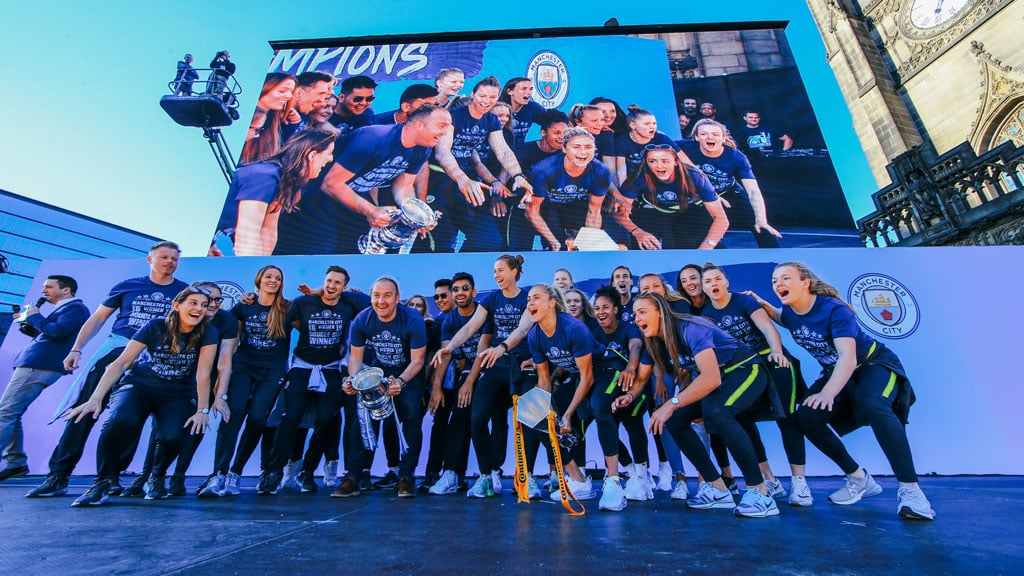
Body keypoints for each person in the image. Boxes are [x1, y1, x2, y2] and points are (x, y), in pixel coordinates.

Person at [751, 262, 934, 520]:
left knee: (875, 405)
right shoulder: (791, 312)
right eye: (774, 281)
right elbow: (783, 318)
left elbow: (847, 356)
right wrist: (763, 305)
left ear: (806, 282)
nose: (778, 284)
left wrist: (828, 393)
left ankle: (911, 490)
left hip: (871, 365)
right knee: (806, 417)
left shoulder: (834, 309)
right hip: (835, 371)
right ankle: (858, 477)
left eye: (785, 278)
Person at [25, 242, 188, 499]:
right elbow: (98, 318)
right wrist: (77, 348)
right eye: (164, 257)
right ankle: (59, 474)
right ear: (150, 259)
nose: (169, 262)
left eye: (174, 259)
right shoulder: (127, 285)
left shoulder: (183, 292)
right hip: (117, 349)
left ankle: (111, 476)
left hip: (151, 358)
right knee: (85, 408)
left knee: (129, 417)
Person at [66, 285, 219, 507]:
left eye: (204, 306)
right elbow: (122, 362)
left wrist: (202, 410)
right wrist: (96, 398)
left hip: (177, 392)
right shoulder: (155, 326)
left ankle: (156, 476)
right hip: (140, 385)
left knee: (173, 436)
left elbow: (203, 373)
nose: (200, 309)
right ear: (177, 306)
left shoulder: (208, 332)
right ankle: (102, 482)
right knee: (120, 421)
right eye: (193, 303)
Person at [633, 292, 781, 518]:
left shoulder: (690, 328)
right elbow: (685, 371)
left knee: (719, 413)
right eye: (634, 314)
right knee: (675, 421)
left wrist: (672, 402)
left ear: (660, 312)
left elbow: (711, 378)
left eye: (642, 312)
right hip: (721, 377)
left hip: (744, 368)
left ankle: (760, 492)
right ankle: (718, 488)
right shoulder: (657, 340)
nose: (636, 318)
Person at [273, 104, 452, 255]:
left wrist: (415, 217)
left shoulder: (423, 148)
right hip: (313, 199)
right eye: (442, 125)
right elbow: (330, 184)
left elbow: (403, 186)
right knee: (320, 251)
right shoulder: (373, 138)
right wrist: (370, 210)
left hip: (350, 201)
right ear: (420, 125)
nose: (445, 133)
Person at [701, 263, 808, 505]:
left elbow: (768, 328)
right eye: (708, 282)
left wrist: (777, 351)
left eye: (717, 279)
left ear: (726, 281)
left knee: (787, 419)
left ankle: (800, 483)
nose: (713, 284)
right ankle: (768, 478)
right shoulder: (707, 315)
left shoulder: (743, 302)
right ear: (704, 288)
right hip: (744, 368)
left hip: (770, 359)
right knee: (742, 420)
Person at [257, 266, 369, 496]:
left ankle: (307, 471)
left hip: (330, 370)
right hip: (302, 368)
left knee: (326, 421)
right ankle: (273, 471)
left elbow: (368, 301)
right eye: (328, 281)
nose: (331, 286)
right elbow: (279, 313)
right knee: (290, 418)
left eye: (338, 283)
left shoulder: (348, 305)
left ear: (344, 287)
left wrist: (343, 294)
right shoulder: (303, 303)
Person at [431, 254, 534, 499]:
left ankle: (527, 477)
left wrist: (503, 347)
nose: (496, 275)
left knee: (528, 421)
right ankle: (487, 475)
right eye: (494, 271)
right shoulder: (491, 299)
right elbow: (469, 328)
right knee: (477, 418)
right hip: (494, 365)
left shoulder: (527, 297)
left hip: (521, 364)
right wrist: (449, 347)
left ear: (514, 271)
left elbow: (522, 329)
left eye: (500, 270)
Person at [134, 282, 239, 499]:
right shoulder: (175, 317)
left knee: (195, 428)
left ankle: (178, 477)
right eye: (208, 299)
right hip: (174, 379)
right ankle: (148, 476)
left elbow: (225, 360)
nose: (212, 304)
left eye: (218, 300)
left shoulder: (225, 320)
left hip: (204, 380)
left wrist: (220, 394)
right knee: (161, 431)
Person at [201, 266, 292, 497]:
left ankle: (236, 472)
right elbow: (233, 340)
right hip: (243, 366)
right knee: (234, 414)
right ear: (259, 280)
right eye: (269, 277)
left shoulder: (288, 308)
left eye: (278, 278)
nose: (273, 281)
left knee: (258, 419)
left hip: (273, 370)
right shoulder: (244, 306)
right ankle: (218, 473)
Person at [342, 276, 427, 498]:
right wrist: (354, 381)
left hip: (408, 372)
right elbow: (355, 359)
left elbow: (418, 360)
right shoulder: (362, 320)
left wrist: (401, 382)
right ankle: (353, 476)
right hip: (378, 372)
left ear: (398, 299)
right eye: (376, 295)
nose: (381, 301)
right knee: (360, 419)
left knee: (409, 416)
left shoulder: (413, 320)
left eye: (387, 295)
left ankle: (406, 476)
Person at [0, 276, 89, 482]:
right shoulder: (63, 310)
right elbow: (49, 334)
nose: (43, 291)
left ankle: (15, 462)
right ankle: (15, 462)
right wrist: (30, 326)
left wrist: (35, 316)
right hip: (34, 364)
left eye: (48, 287)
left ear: (66, 290)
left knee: (6, 411)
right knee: (12, 412)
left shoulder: (76, 309)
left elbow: (56, 332)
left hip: (38, 366)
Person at [431, 76, 533, 253]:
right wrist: (462, 179)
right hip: (441, 177)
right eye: (482, 96)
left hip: (469, 180)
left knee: (490, 239)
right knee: (443, 240)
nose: (487, 101)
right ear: (473, 95)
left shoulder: (491, 120)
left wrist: (518, 176)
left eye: (492, 97)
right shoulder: (454, 116)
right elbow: (442, 153)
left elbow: (503, 151)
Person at [523, 284, 599, 503]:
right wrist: (541, 406)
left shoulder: (574, 328)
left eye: (536, 298)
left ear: (552, 303)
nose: (530, 303)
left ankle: (609, 476)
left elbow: (588, 377)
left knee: (584, 414)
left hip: (601, 372)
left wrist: (566, 414)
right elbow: (544, 379)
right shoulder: (535, 335)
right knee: (532, 414)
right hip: (577, 378)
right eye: (529, 299)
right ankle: (576, 478)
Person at [218, 129, 336, 256]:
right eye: (329, 153)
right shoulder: (264, 176)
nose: (331, 159)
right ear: (312, 155)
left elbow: (268, 232)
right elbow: (248, 236)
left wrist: (262, 265)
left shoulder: (283, 181)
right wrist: (252, 271)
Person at [678, 119, 782, 248]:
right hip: (702, 195)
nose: (710, 137)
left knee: (761, 225)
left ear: (723, 138)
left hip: (729, 192)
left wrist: (761, 218)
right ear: (696, 137)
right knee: (699, 233)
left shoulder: (736, 157)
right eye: (704, 134)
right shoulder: (685, 147)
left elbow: (753, 191)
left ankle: (776, 256)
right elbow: (660, 138)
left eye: (715, 134)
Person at [589, 286, 650, 506]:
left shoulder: (629, 328)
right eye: (597, 308)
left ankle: (643, 477)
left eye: (606, 307)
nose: (601, 312)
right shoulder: (593, 331)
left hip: (633, 385)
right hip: (607, 385)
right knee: (603, 420)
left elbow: (635, 347)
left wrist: (631, 367)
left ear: (616, 309)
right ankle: (630, 471)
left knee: (633, 424)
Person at [614, 146, 728, 250]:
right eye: (652, 161)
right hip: (652, 212)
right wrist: (638, 232)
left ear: (676, 162)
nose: (659, 166)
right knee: (644, 245)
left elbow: (721, 219)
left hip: (686, 212)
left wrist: (706, 247)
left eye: (665, 161)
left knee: (690, 244)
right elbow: (619, 212)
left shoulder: (695, 177)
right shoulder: (639, 177)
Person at [427, 272, 479, 495]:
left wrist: (467, 370)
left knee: (463, 420)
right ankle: (439, 473)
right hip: (452, 378)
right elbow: (444, 354)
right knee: (444, 422)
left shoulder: (480, 313)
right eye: (436, 297)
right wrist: (436, 388)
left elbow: (483, 347)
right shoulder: (444, 321)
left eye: (444, 295)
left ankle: (461, 473)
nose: (440, 300)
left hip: (476, 374)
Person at [525, 127, 610, 251]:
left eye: (588, 147)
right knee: (559, 245)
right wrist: (554, 242)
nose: (583, 152)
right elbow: (531, 211)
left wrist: (590, 242)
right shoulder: (543, 171)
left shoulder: (601, 171)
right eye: (576, 147)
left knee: (594, 243)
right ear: (564, 148)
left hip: (573, 206)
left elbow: (594, 210)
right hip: (545, 207)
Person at [240, 73, 298, 166]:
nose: (289, 96)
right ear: (265, 88)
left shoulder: (273, 121)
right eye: (282, 91)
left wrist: (292, 124)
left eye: (291, 92)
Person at [612, 108, 680, 185]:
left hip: (658, 180)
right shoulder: (621, 141)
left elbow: (684, 160)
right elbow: (621, 172)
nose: (652, 127)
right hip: (634, 182)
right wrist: (624, 192)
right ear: (632, 125)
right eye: (647, 124)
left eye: (654, 123)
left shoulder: (661, 138)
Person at [281, 71, 337, 138]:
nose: (323, 103)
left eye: (326, 98)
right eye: (320, 94)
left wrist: (322, 124)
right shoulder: (275, 116)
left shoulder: (305, 114)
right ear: (299, 93)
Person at [515, 110, 570, 175]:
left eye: (565, 133)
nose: (562, 137)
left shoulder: (568, 153)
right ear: (543, 132)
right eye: (557, 133)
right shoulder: (521, 151)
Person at [569, 104, 616, 174]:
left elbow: (609, 168)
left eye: (602, 120)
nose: (600, 124)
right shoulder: (568, 138)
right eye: (594, 121)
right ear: (578, 122)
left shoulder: (606, 135)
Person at [500, 77, 546, 145]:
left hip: (519, 152)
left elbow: (552, 121)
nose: (529, 93)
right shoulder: (497, 108)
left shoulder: (533, 108)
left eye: (530, 89)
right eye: (524, 89)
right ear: (510, 91)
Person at [372, 84, 439, 125]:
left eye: (435, 105)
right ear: (406, 107)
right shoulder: (374, 124)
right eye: (426, 106)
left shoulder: (432, 126)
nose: (432, 110)